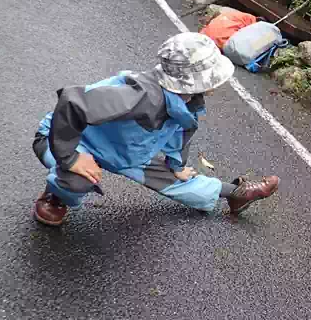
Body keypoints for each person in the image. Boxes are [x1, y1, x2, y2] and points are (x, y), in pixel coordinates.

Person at [32, 32, 279, 226]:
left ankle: (237, 193)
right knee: (76, 180)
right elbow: (72, 102)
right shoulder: (140, 95)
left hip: (127, 153)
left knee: (180, 181)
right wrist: (70, 156)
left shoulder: (187, 100)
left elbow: (181, 133)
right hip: (71, 140)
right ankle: (55, 197)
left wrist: (177, 166)